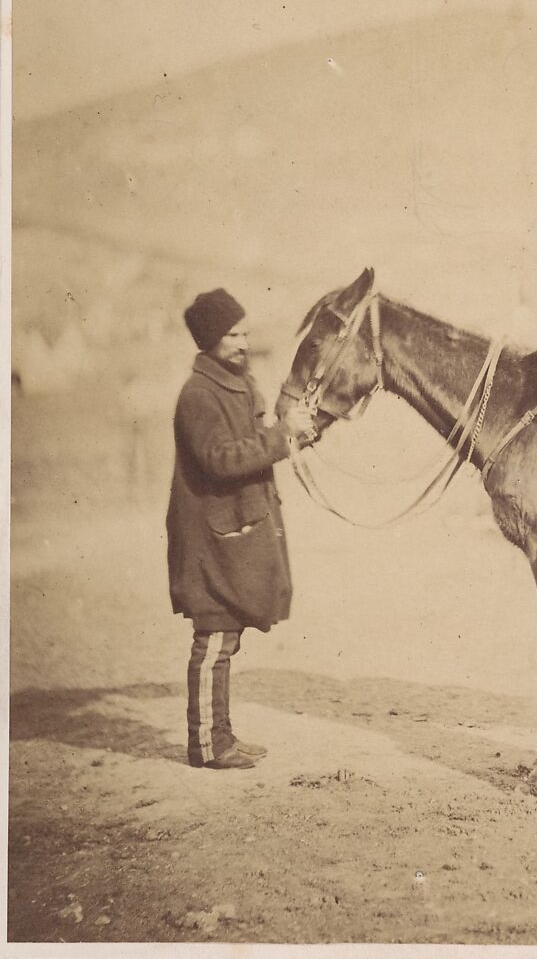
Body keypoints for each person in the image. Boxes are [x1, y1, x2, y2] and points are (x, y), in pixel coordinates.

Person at [167, 288, 317, 770]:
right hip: (210, 534)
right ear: (209, 338)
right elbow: (221, 459)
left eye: (245, 332)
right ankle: (207, 746)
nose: (243, 342)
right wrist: (281, 435)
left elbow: (258, 443)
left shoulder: (237, 382)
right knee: (213, 636)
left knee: (226, 637)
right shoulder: (198, 395)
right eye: (233, 334)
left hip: (235, 528)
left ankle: (222, 735)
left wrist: (290, 434)